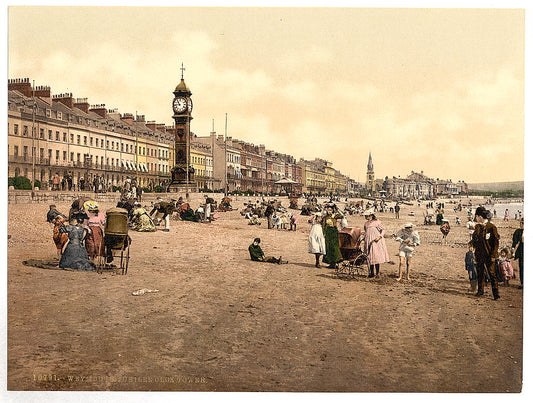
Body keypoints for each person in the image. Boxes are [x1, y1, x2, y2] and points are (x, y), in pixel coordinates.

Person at [471, 206, 500, 300]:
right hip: (479, 254)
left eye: (476, 216)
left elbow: (495, 243)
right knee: (480, 272)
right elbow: (474, 239)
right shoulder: (477, 227)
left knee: (492, 274)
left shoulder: (492, 227)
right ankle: (480, 291)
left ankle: (496, 294)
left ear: (479, 216)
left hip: (489, 254)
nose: (475, 218)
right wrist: (472, 244)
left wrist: (493, 255)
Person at [363, 208, 390, 278]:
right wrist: (364, 237)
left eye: (367, 216)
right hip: (368, 241)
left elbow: (383, 229)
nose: (366, 217)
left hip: (376, 241)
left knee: (376, 256)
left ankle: (377, 273)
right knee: (370, 256)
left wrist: (379, 237)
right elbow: (366, 232)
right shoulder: (366, 224)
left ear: (371, 215)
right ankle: (371, 273)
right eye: (365, 216)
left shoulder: (377, 222)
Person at [511, 218, 524, 289]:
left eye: (523, 223)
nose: (521, 225)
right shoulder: (518, 231)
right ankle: (523, 283)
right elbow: (515, 240)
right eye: (521, 223)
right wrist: (513, 248)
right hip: (522, 250)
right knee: (522, 266)